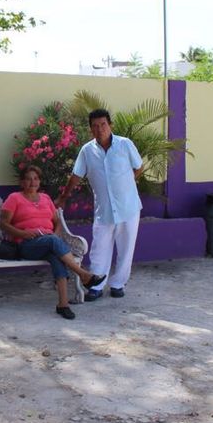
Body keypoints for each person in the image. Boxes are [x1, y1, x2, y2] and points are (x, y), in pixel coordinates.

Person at [55, 109, 143, 301]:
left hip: (128, 207)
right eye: (95, 126)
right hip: (103, 210)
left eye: (103, 124)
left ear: (110, 125)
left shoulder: (125, 144)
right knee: (99, 248)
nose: (100, 129)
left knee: (126, 248)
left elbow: (138, 167)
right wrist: (64, 196)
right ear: (91, 129)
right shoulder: (87, 151)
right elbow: (76, 175)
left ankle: (118, 284)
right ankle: (96, 286)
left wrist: (126, 185)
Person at [0, 165, 105, 319]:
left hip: (48, 242)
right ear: (22, 182)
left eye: (36, 179)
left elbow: (57, 223)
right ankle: (83, 274)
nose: (32, 182)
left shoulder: (46, 198)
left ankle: (63, 305)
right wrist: (23, 233)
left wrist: (54, 237)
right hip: (27, 244)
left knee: (56, 257)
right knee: (52, 242)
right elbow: (3, 224)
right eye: (28, 179)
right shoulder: (14, 198)